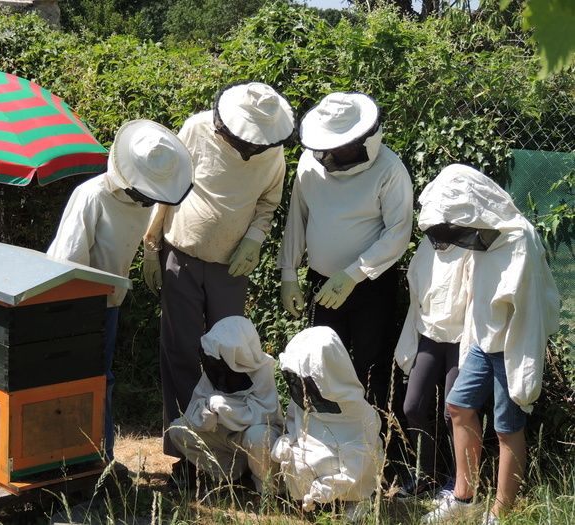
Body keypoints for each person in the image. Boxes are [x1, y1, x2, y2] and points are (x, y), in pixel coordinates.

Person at [142, 81, 296, 474]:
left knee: (230, 357)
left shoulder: (272, 152)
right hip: (183, 256)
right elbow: (167, 187)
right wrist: (151, 246)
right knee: (180, 352)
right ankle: (186, 454)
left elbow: (268, 201)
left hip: (231, 267)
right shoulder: (195, 129)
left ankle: (232, 449)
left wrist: (255, 239)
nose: (249, 148)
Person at [416, 164, 560, 524]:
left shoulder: (519, 238)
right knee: (458, 406)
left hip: (514, 346)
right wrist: (470, 345)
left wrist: (524, 379)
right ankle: (464, 497)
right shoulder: (482, 236)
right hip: (483, 342)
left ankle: (500, 511)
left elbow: (530, 315)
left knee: (508, 426)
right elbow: (474, 297)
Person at [47, 119, 194, 464]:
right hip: (73, 305)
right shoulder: (92, 196)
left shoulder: (145, 202)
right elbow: (64, 263)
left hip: (108, 305)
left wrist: (150, 253)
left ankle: (102, 460)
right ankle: (80, 462)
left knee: (101, 381)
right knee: (79, 384)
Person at [278, 92, 413, 410]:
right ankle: (323, 445)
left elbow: (398, 233)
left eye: (345, 146)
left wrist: (355, 274)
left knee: (370, 368)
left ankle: (377, 449)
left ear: (367, 138)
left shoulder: (390, 170)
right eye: (332, 146)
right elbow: (298, 217)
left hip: (372, 287)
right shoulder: (310, 165)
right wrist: (288, 274)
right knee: (319, 364)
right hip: (322, 285)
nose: (337, 153)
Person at [393, 223, 473, 497]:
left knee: (455, 412)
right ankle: (427, 475)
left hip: (463, 335)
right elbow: (417, 294)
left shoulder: (472, 245)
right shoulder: (426, 247)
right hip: (430, 334)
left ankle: (459, 482)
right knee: (412, 406)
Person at [271, 326, 383, 521]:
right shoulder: (301, 402)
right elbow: (293, 429)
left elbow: (361, 460)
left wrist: (328, 486)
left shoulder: (359, 412)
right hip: (318, 473)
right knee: (295, 456)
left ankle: (357, 501)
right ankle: (306, 503)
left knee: (324, 463)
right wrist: (286, 443)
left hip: (348, 474)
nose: (301, 387)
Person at [167, 316, 283, 492]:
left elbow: (264, 413)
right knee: (178, 430)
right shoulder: (215, 362)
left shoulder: (262, 369)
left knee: (259, 437)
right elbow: (195, 410)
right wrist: (206, 411)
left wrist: (224, 408)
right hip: (223, 437)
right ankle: (231, 474)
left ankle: (268, 489)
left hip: (250, 435)